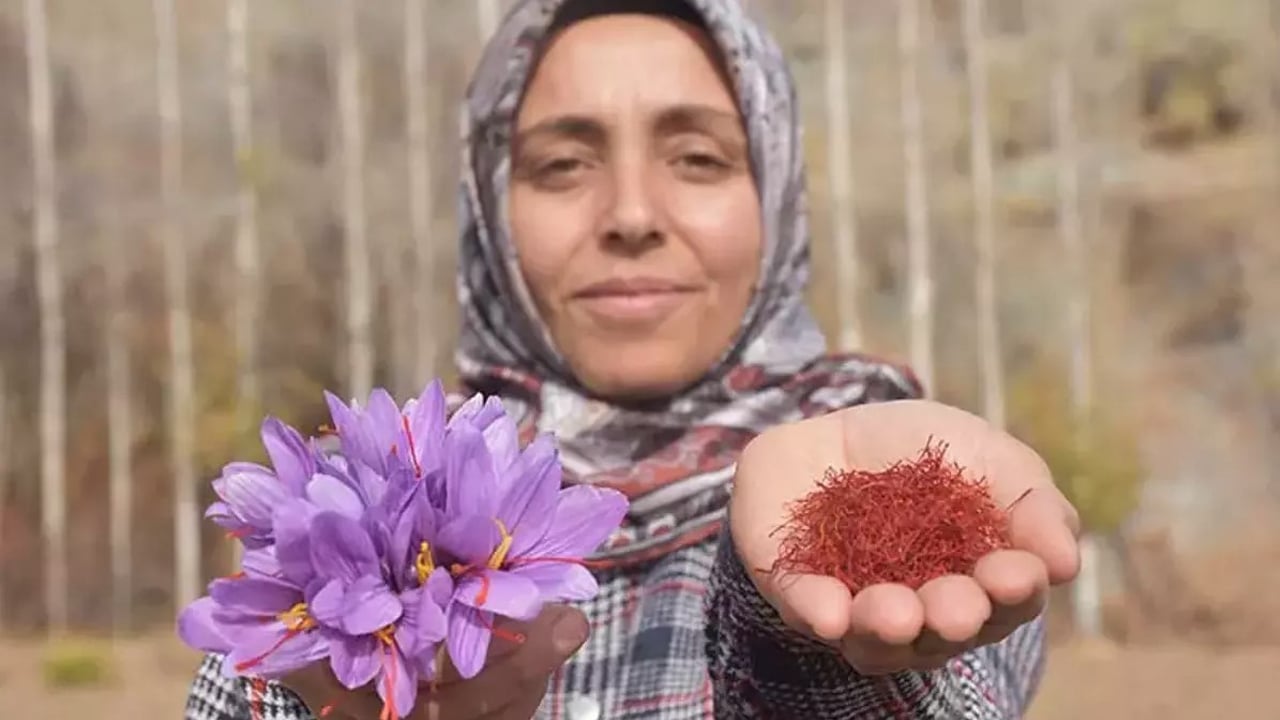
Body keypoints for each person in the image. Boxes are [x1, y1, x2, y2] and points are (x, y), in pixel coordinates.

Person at [183, 0, 1081, 718]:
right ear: (490, 216)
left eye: (697, 157)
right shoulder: (352, 506)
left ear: (776, 196)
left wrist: (806, 643)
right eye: (563, 166)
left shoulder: (896, 461)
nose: (632, 215)